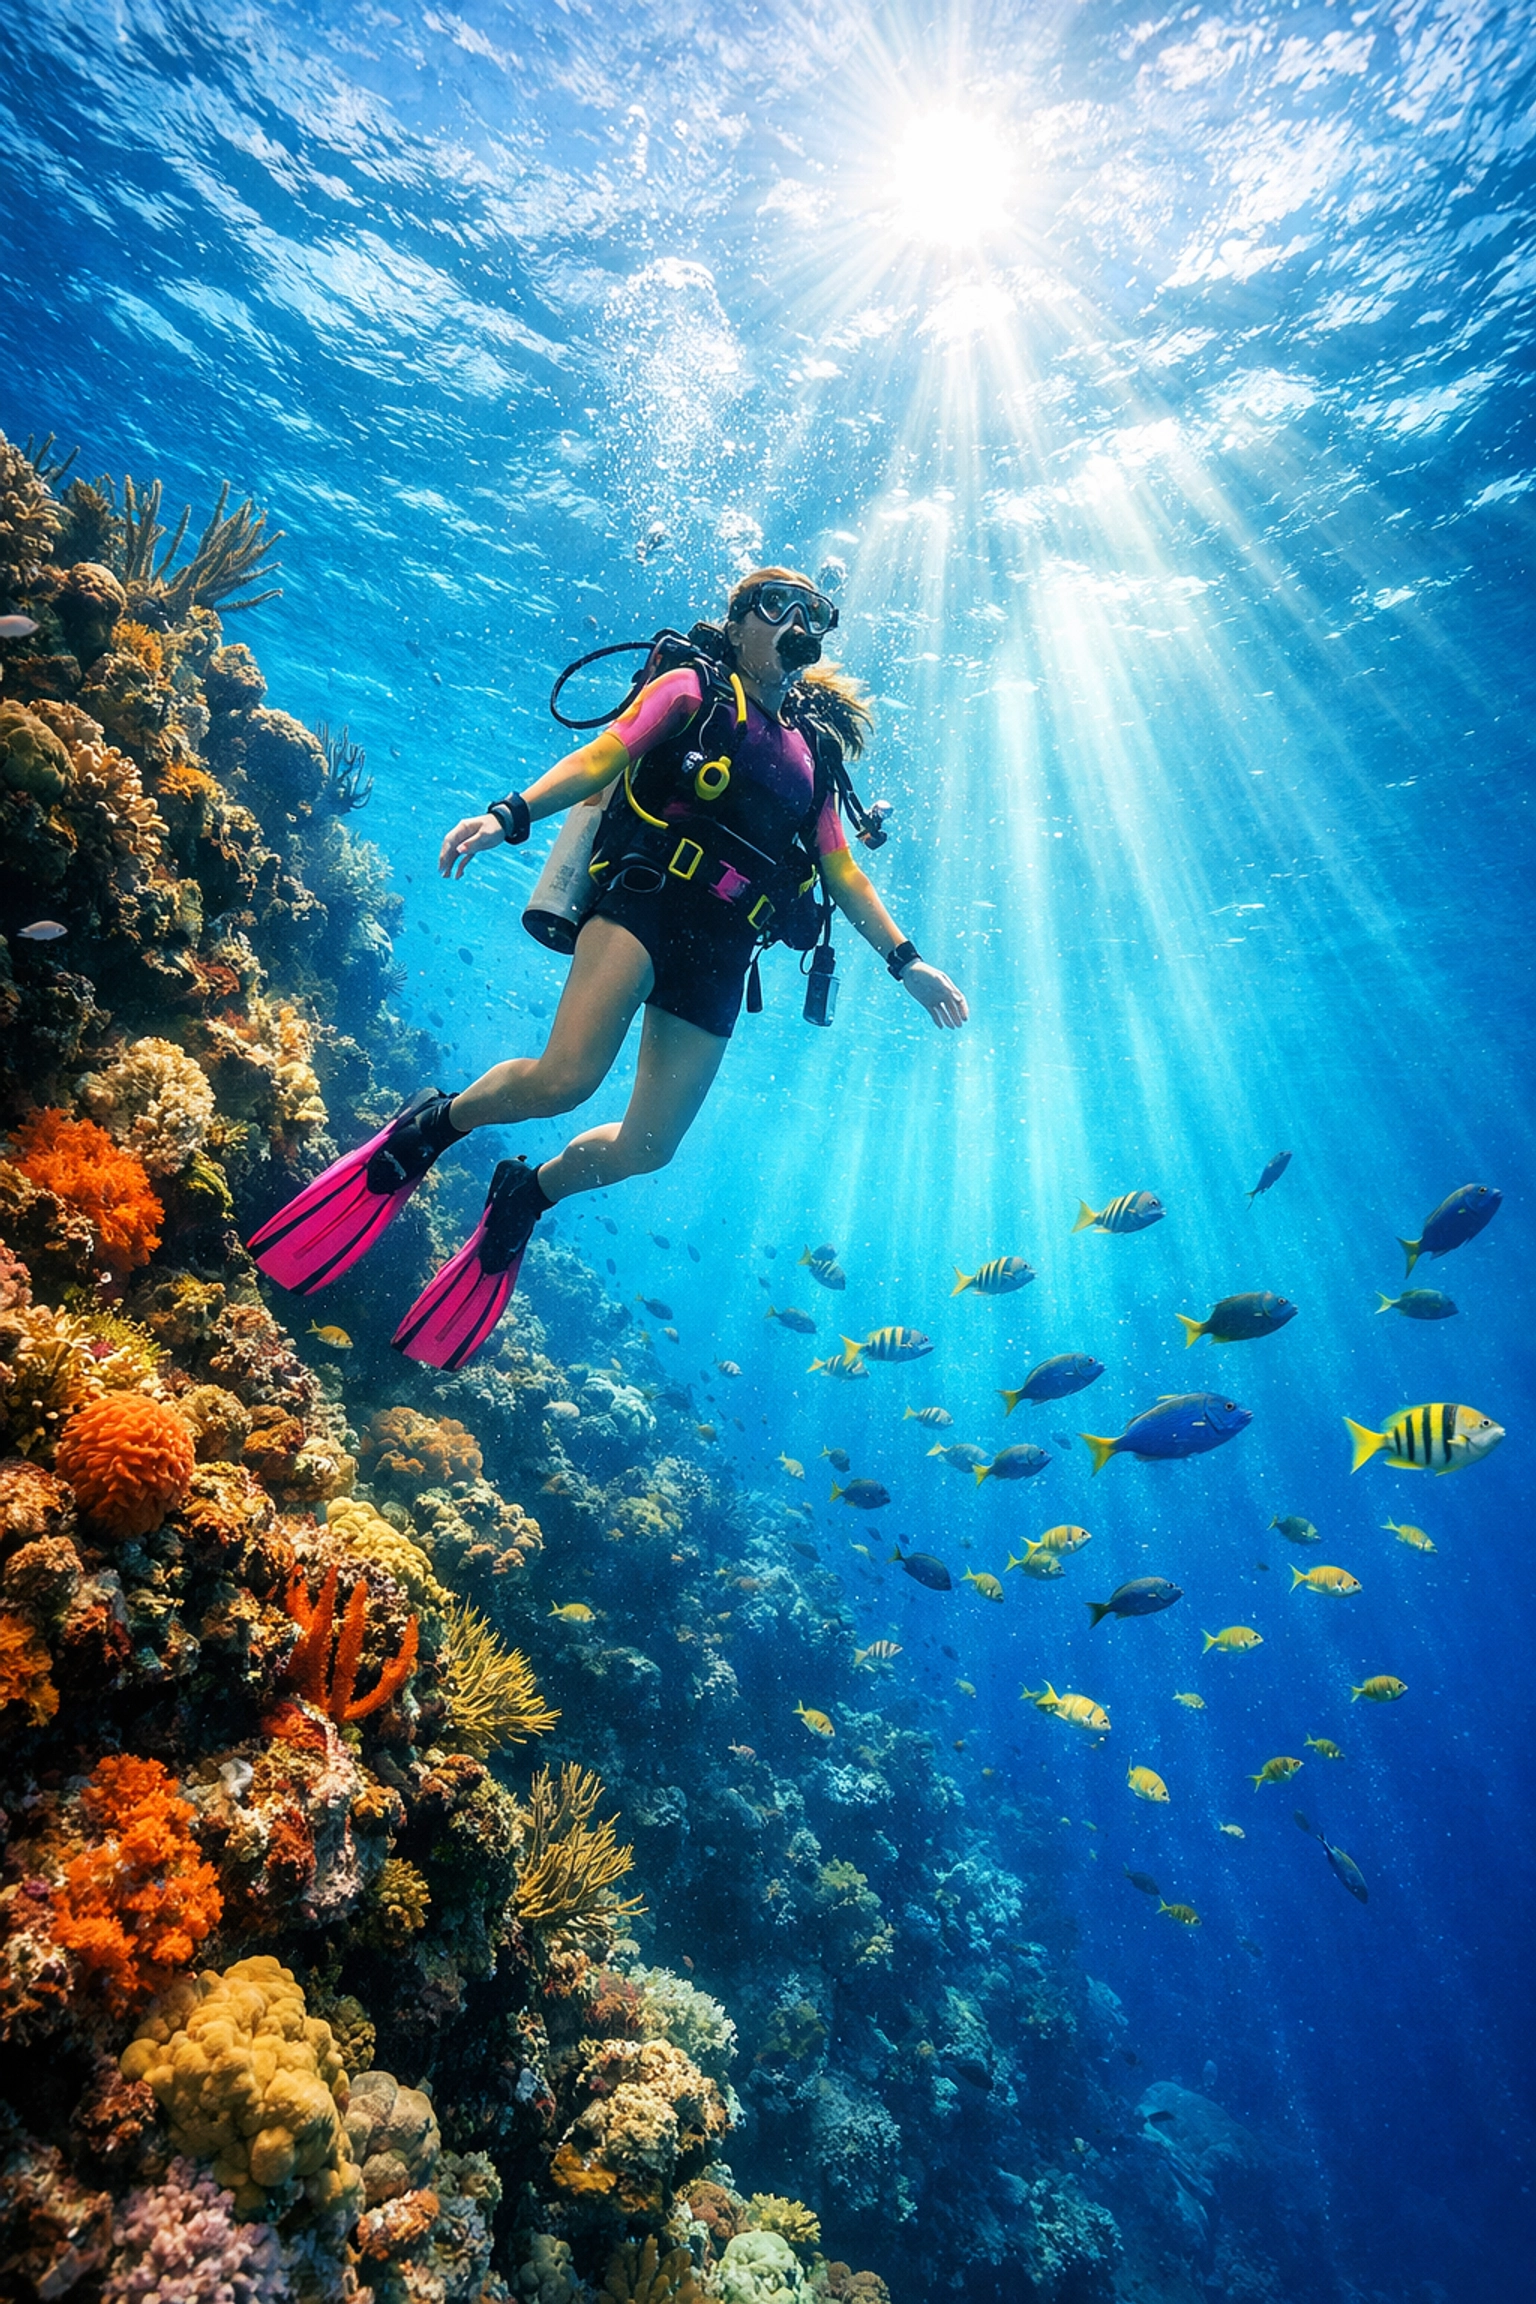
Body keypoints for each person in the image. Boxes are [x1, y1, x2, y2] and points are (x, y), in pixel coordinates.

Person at [249, 566, 967, 1367]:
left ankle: (529, 1195)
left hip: (726, 950)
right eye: (776, 604)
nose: (795, 620)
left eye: (813, 611)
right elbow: (606, 754)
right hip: (647, 899)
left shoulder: (814, 754)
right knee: (566, 1080)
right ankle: (432, 1124)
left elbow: (842, 872)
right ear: (738, 621)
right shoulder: (695, 688)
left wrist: (909, 964)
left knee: (651, 1145)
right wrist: (508, 814)